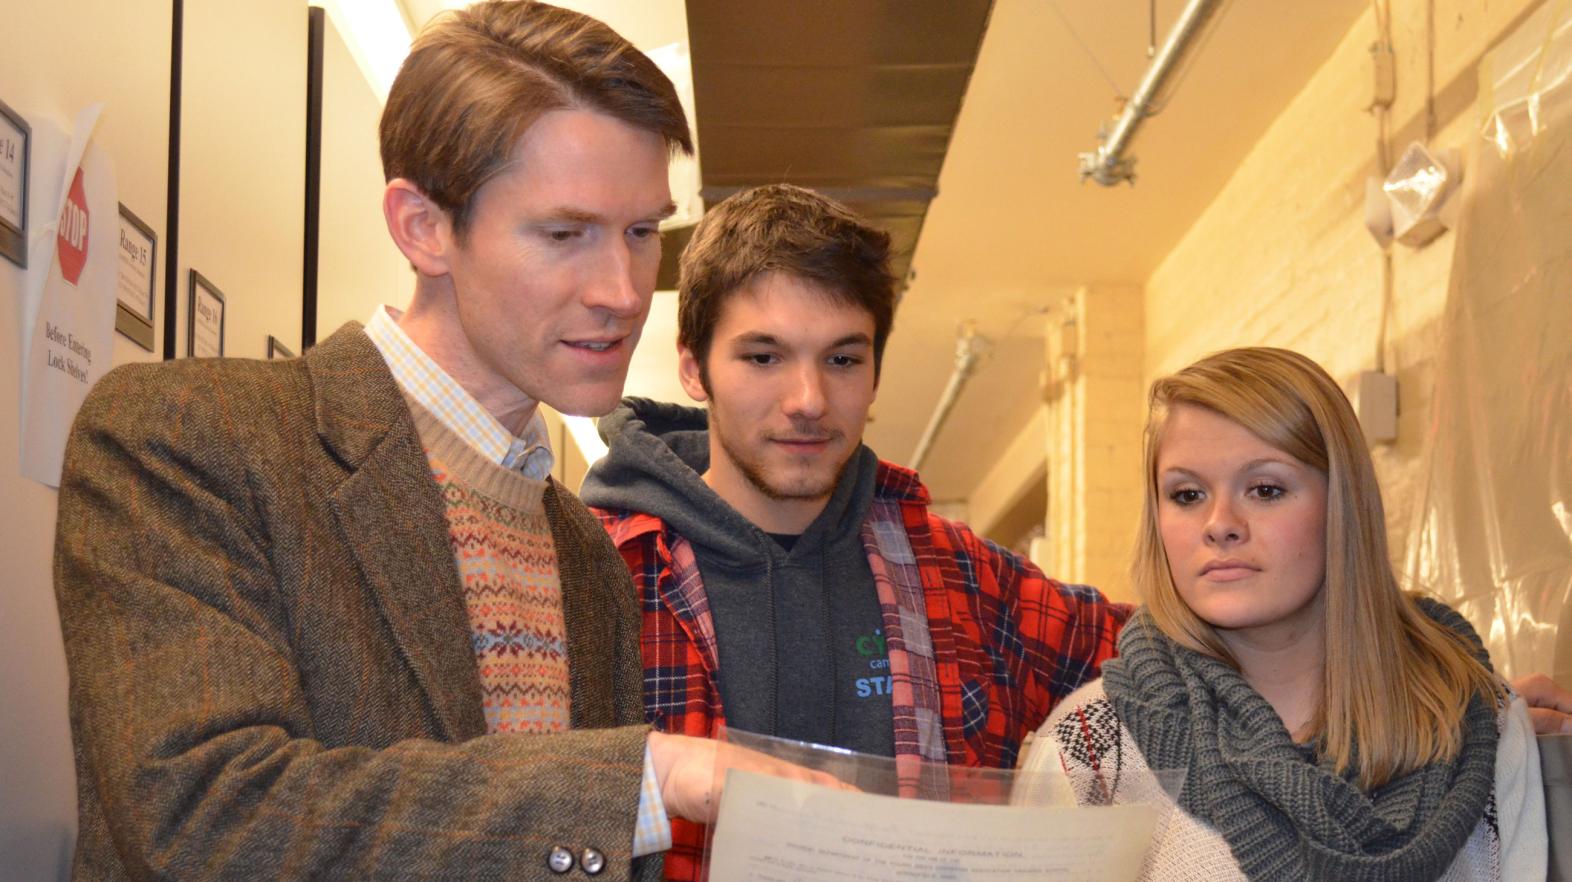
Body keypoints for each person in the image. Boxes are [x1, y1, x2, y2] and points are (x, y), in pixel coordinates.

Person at [51, 4, 814, 880]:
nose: (623, 289)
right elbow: (206, 817)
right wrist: (653, 773)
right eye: (565, 233)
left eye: (642, 232)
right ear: (423, 227)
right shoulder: (190, 440)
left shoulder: (580, 546)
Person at [579, 183, 1133, 880]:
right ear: (694, 367)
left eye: (842, 359)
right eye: (763, 357)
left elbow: (1154, 655)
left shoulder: (958, 575)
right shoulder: (595, 574)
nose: (809, 401)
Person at [1020, 347, 1547, 881]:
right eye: (1187, 494)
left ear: (1342, 505)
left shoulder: (1483, 726)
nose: (1220, 523)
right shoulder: (1090, 749)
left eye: (1265, 489)